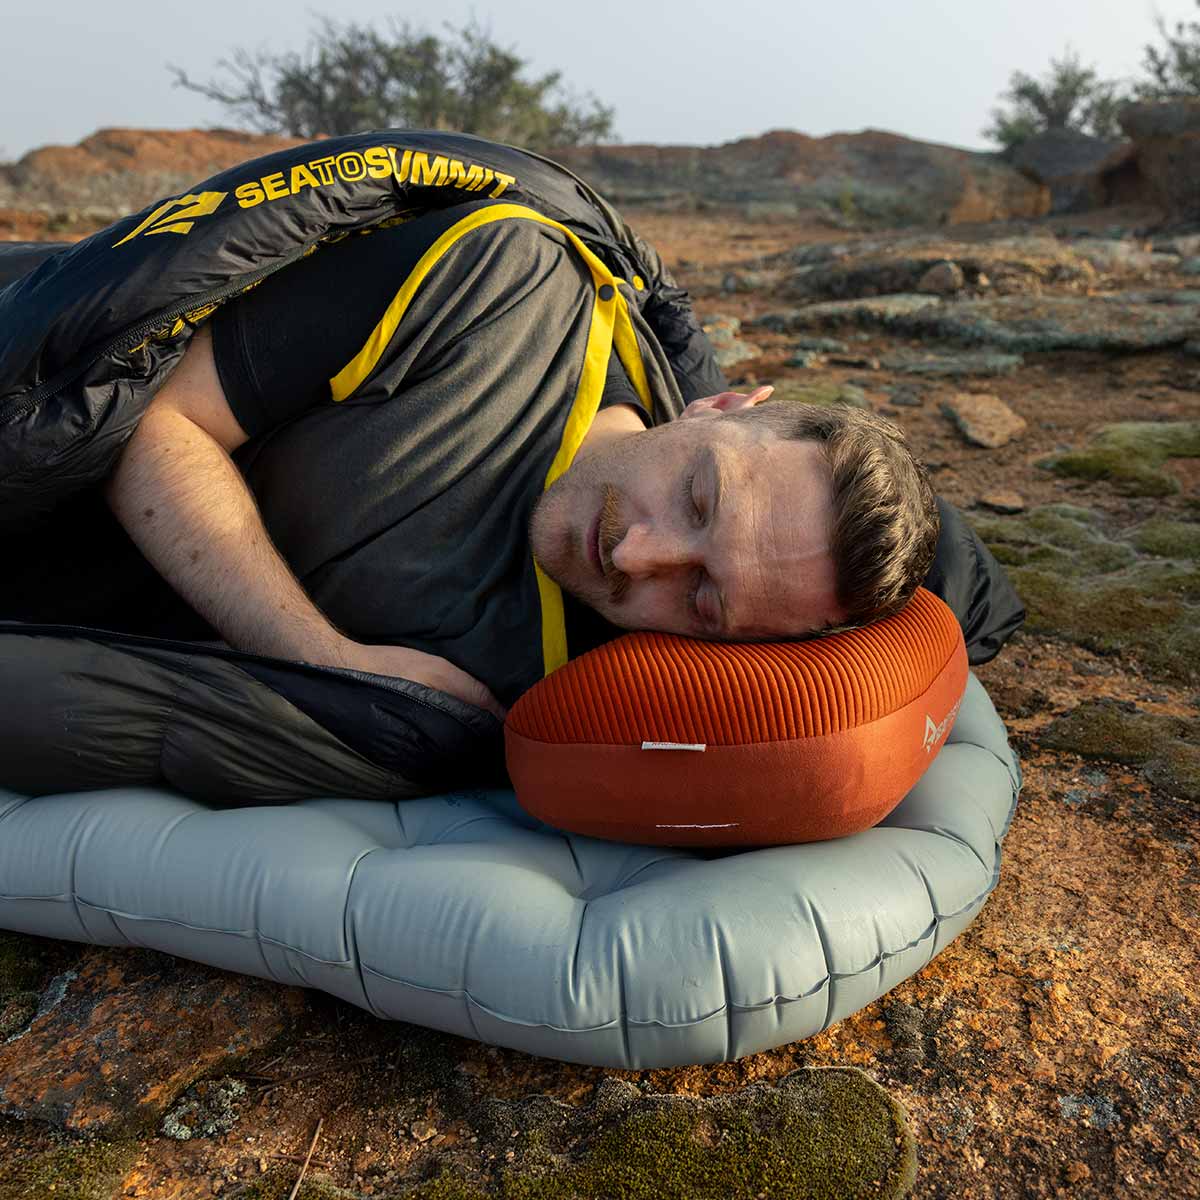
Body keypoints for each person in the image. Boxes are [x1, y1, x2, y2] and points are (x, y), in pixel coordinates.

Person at [96, 195, 940, 722]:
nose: (635, 558)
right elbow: (147, 412)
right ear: (721, 405)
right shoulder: (501, 288)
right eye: (697, 498)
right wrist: (319, 656)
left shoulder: (583, 697)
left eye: (703, 598)